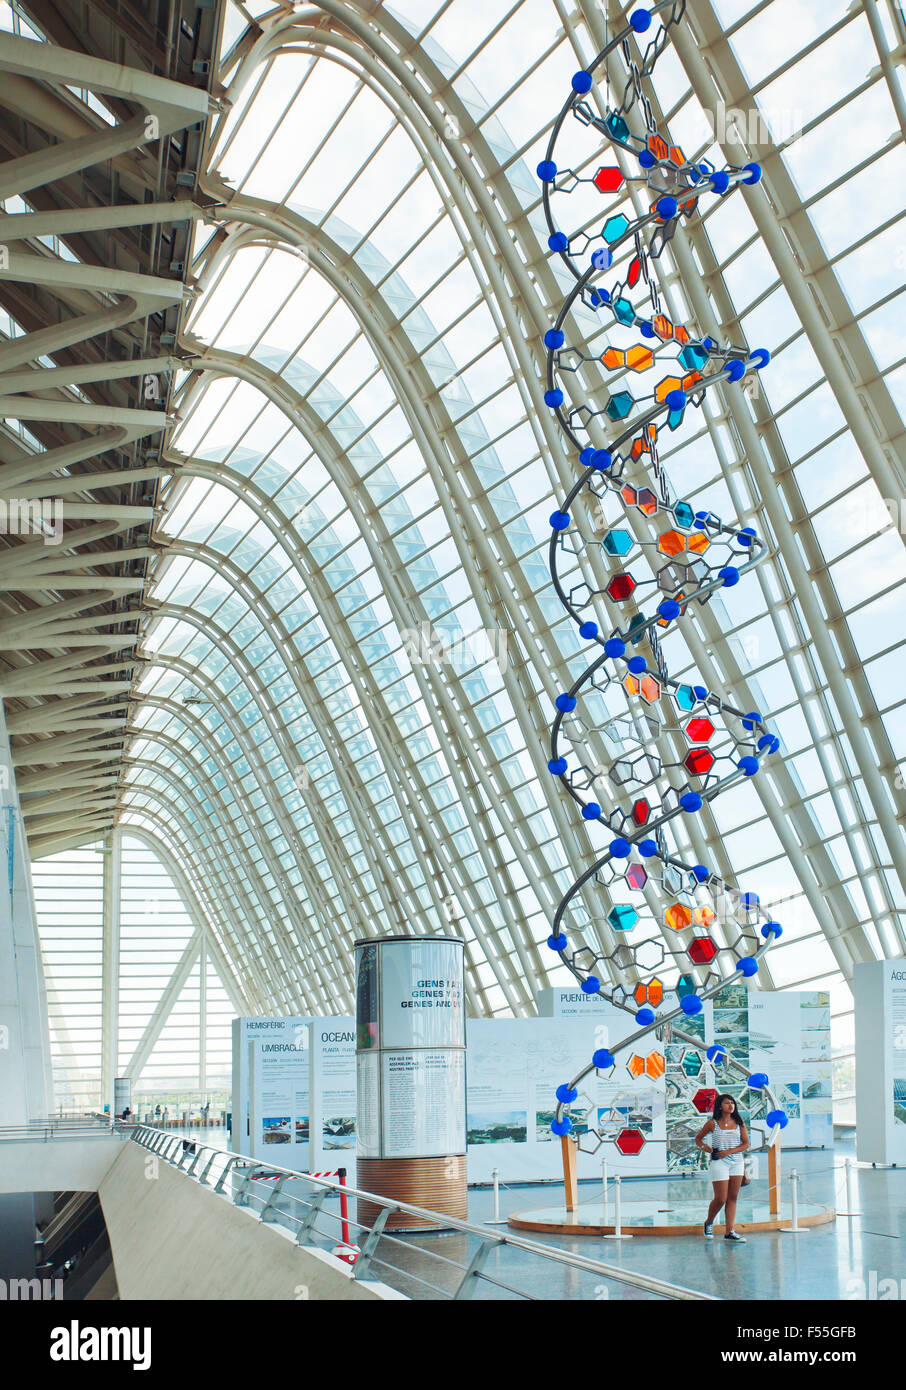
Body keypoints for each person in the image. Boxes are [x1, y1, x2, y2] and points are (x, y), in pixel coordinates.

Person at [694, 1093, 749, 1242]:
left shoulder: (739, 1122)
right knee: (721, 1198)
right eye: (727, 1103)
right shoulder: (713, 1123)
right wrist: (704, 1147)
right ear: (720, 1106)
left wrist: (729, 1152)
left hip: (736, 1162)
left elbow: (746, 1144)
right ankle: (709, 1222)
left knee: (733, 1197)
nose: (731, 1105)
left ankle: (729, 1231)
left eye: (732, 1103)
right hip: (719, 1162)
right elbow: (698, 1138)